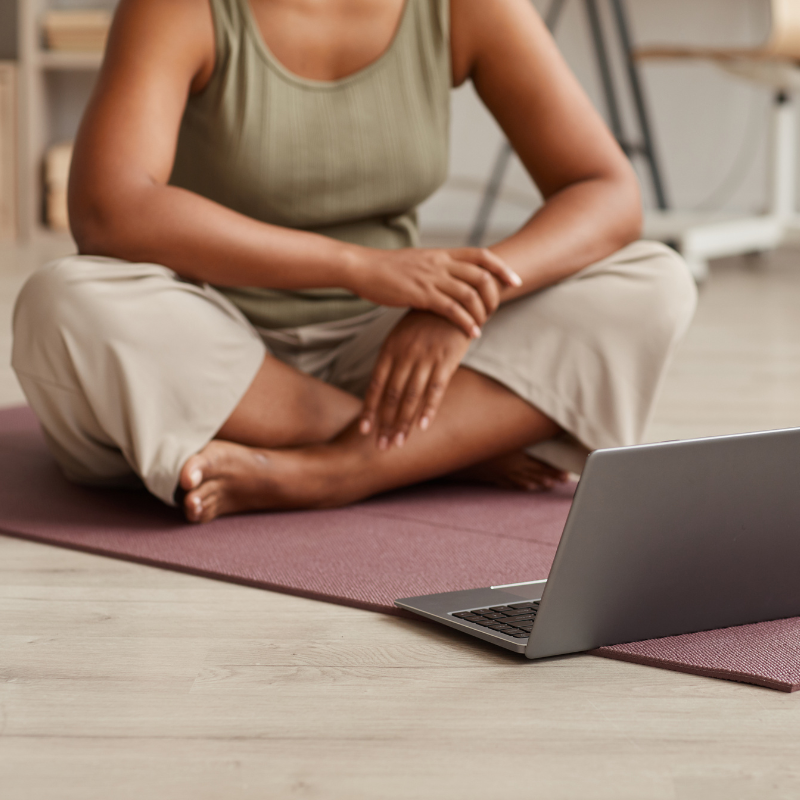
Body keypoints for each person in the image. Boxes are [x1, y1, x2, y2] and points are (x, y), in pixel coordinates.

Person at [12, 0, 697, 523]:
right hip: (219, 350)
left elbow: (605, 189)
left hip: (392, 345)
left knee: (653, 279)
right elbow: (109, 209)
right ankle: (434, 449)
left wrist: (466, 299)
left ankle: (335, 472)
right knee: (63, 302)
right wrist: (355, 265)